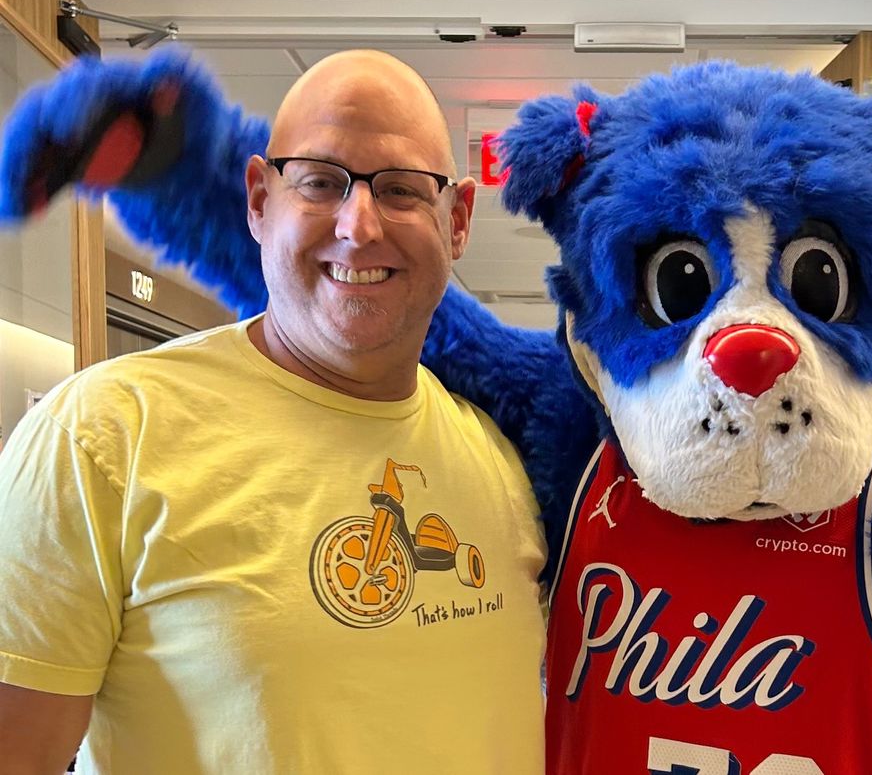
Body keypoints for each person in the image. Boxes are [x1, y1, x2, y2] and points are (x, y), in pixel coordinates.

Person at [0, 50, 548, 773]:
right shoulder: (101, 436)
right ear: (258, 199)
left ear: (458, 221)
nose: (360, 225)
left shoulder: (506, 463)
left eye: (401, 190)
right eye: (320, 182)